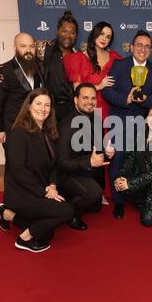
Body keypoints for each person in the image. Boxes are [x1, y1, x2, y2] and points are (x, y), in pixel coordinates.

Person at [0, 88, 75, 252]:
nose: (43, 108)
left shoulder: (48, 132)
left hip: (40, 189)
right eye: (38, 103)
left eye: (47, 105)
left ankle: (7, 214)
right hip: (22, 192)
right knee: (66, 211)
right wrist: (44, 191)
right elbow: (18, 170)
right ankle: (23, 239)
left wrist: (53, 185)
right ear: (29, 106)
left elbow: (54, 164)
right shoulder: (19, 132)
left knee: (48, 233)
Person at [102, 30, 152, 219]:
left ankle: (138, 195)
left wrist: (145, 100)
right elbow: (107, 91)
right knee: (118, 161)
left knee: (140, 162)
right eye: (139, 45)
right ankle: (119, 202)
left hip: (143, 125)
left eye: (147, 46)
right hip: (119, 122)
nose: (143, 49)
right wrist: (126, 99)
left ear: (150, 49)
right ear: (132, 47)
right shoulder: (119, 65)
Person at [0, 10, 79, 121]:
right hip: (47, 109)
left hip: (70, 108)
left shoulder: (78, 54)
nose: (68, 35)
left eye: (72, 32)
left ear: (76, 35)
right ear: (57, 31)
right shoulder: (44, 48)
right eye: (64, 31)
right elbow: (21, 59)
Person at [56, 83, 115, 230]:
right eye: (85, 98)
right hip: (67, 174)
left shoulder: (96, 117)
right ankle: (69, 213)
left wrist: (107, 153)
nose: (90, 102)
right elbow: (61, 162)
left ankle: (75, 197)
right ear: (75, 100)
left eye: (93, 98)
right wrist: (89, 161)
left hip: (86, 170)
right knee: (93, 193)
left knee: (95, 208)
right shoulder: (66, 124)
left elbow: (97, 148)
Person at [0, 32, 44, 145]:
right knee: (15, 161)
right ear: (15, 48)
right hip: (13, 127)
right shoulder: (3, 71)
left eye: (31, 46)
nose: (28, 50)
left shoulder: (39, 68)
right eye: (23, 46)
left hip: (35, 126)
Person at [63, 21, 122, 120]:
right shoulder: (78, 58)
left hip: (111, 109)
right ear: (95, 34)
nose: (104, 39)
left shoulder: (115, 58)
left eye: (108, 37)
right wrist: (99, 86)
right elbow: (77, 89)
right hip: (89, 109)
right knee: (93, 135)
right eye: (102, 34)